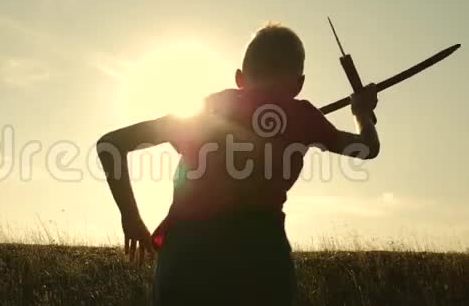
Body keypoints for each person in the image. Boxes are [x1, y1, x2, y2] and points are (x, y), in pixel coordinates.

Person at [97, 23, 380, 305]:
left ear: (239, 78)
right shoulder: (304, 117)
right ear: (298, 84)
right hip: (262, 259)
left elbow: (111, 145)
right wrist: (362, 112)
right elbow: (367, 148)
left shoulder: (205, 110)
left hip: (187, 258)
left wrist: (131, 219)